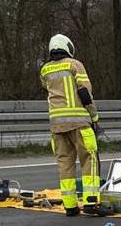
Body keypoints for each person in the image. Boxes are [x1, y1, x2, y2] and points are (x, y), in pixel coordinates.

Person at [41, 34, 100, 215]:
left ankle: (70, 206)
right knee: (89, 159)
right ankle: (90, 201)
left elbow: (47, 88)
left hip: (57, 126)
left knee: (65, 164)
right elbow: (84, 93)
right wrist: (94, 117)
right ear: (68, 47)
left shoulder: (45, 70)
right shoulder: (75, 65)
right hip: (79, 122)